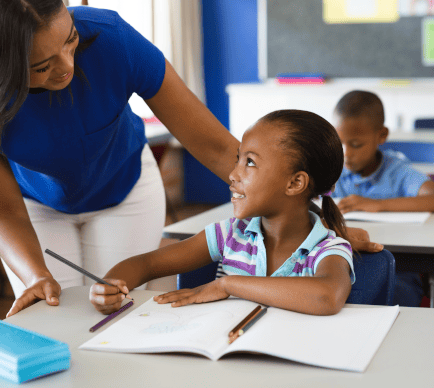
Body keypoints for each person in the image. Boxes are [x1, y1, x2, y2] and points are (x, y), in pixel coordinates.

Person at [0, 0, 377, 318]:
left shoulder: (112, 40)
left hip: (125, 190)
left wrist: (313, 223)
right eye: (41, 66)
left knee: (113, 313)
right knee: (56, 316)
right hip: (34, 207)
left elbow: (216, 146)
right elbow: (1, 211)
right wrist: (34, 275)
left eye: (69, 40)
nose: (67, 66)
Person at [90, 110, 355, 316]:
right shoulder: (230, 235)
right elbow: (146, 264)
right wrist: (111, 286)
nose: (233, 174)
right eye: (238, 158)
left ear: (295, 183)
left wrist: (228, 285)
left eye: (250, 162)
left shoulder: (327, 249)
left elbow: (327, 296)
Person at [331, 90, 434, 306]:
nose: (346, 153)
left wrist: (379, 205)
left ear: (381, 135)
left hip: (398, 269)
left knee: (389, 298)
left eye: (356, 144)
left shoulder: (397, 172)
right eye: (339, 142)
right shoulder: (334, 169)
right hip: (342, 264)